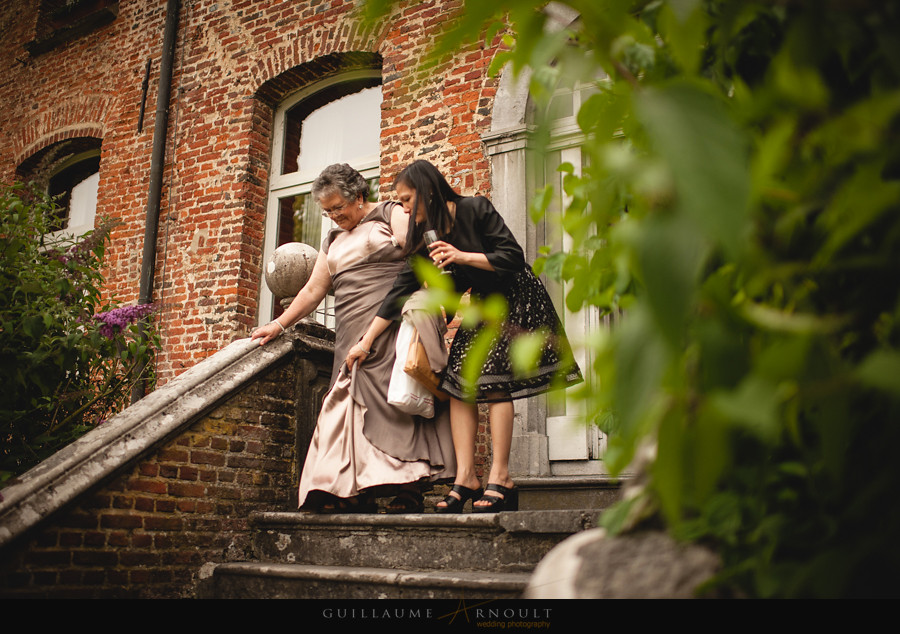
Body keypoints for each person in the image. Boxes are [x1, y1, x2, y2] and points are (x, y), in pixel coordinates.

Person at [347, 160, 582, 513]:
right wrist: (366, 341)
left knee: (495, 381)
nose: (403, 208)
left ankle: (501, 477)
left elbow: (512, 257)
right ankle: (466, 478)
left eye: (407, 199)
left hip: (515, 295)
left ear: (428, 191)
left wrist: (461, 256)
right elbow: (400, 290)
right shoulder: (425, 238)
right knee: (458, 384)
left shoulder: (476, 208)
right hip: (483, 302)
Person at [251, 163, 455, 513]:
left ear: (359, 196)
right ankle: (347, 489)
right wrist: (279, 325)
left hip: (390, 324)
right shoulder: (331, 240)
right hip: (349, 330)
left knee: (394, 404)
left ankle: (409, 488)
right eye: (327, 211)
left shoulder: (391, 213)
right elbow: (313, 290)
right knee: (346, 405)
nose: (333, 216)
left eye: (338, 208)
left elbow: (416, 252)